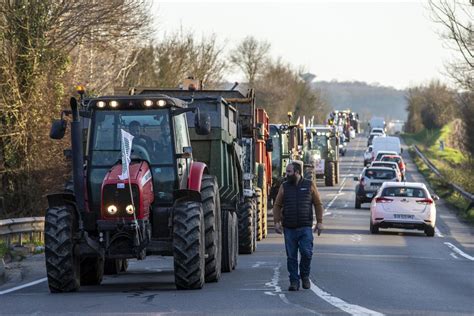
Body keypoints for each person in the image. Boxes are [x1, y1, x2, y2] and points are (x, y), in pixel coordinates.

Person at [273, 161, 324, 291]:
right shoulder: (284, 186)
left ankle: (305, 276)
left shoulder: (309, 185)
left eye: (289, 172)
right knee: (291, 257)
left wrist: (319, 222)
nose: (286, 174)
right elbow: (277, 205)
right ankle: (294, 281)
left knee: (306, 253)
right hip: (289, 228)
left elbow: (318, 204)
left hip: (305, 227)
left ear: (297, 172)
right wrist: (277, 222)